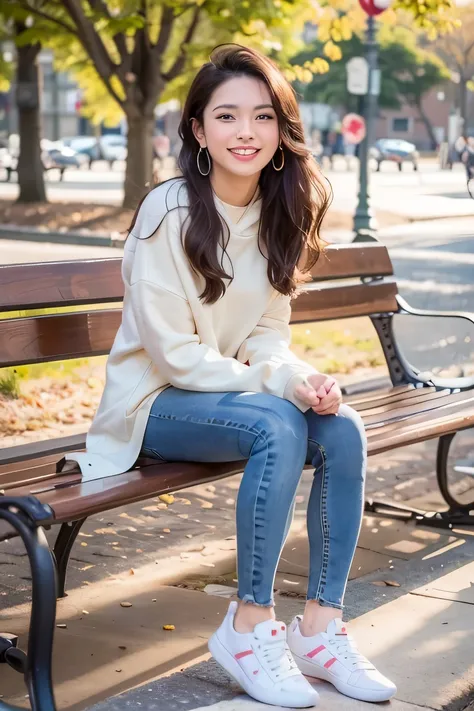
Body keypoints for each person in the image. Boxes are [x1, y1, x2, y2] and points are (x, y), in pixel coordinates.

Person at [61, 44, 397, 708]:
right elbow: (175, 357)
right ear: (198, 131)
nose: (246, 132)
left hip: (217, 399)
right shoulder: (169, 212)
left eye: (262, 117)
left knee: (342, 425)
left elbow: (268, 338)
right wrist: (278, 389)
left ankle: (321, 628)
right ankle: (248, 626)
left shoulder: (278, 213)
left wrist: (306, 379)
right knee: (278, 423)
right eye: (227, 116)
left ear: (280, 131)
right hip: (150, 404)